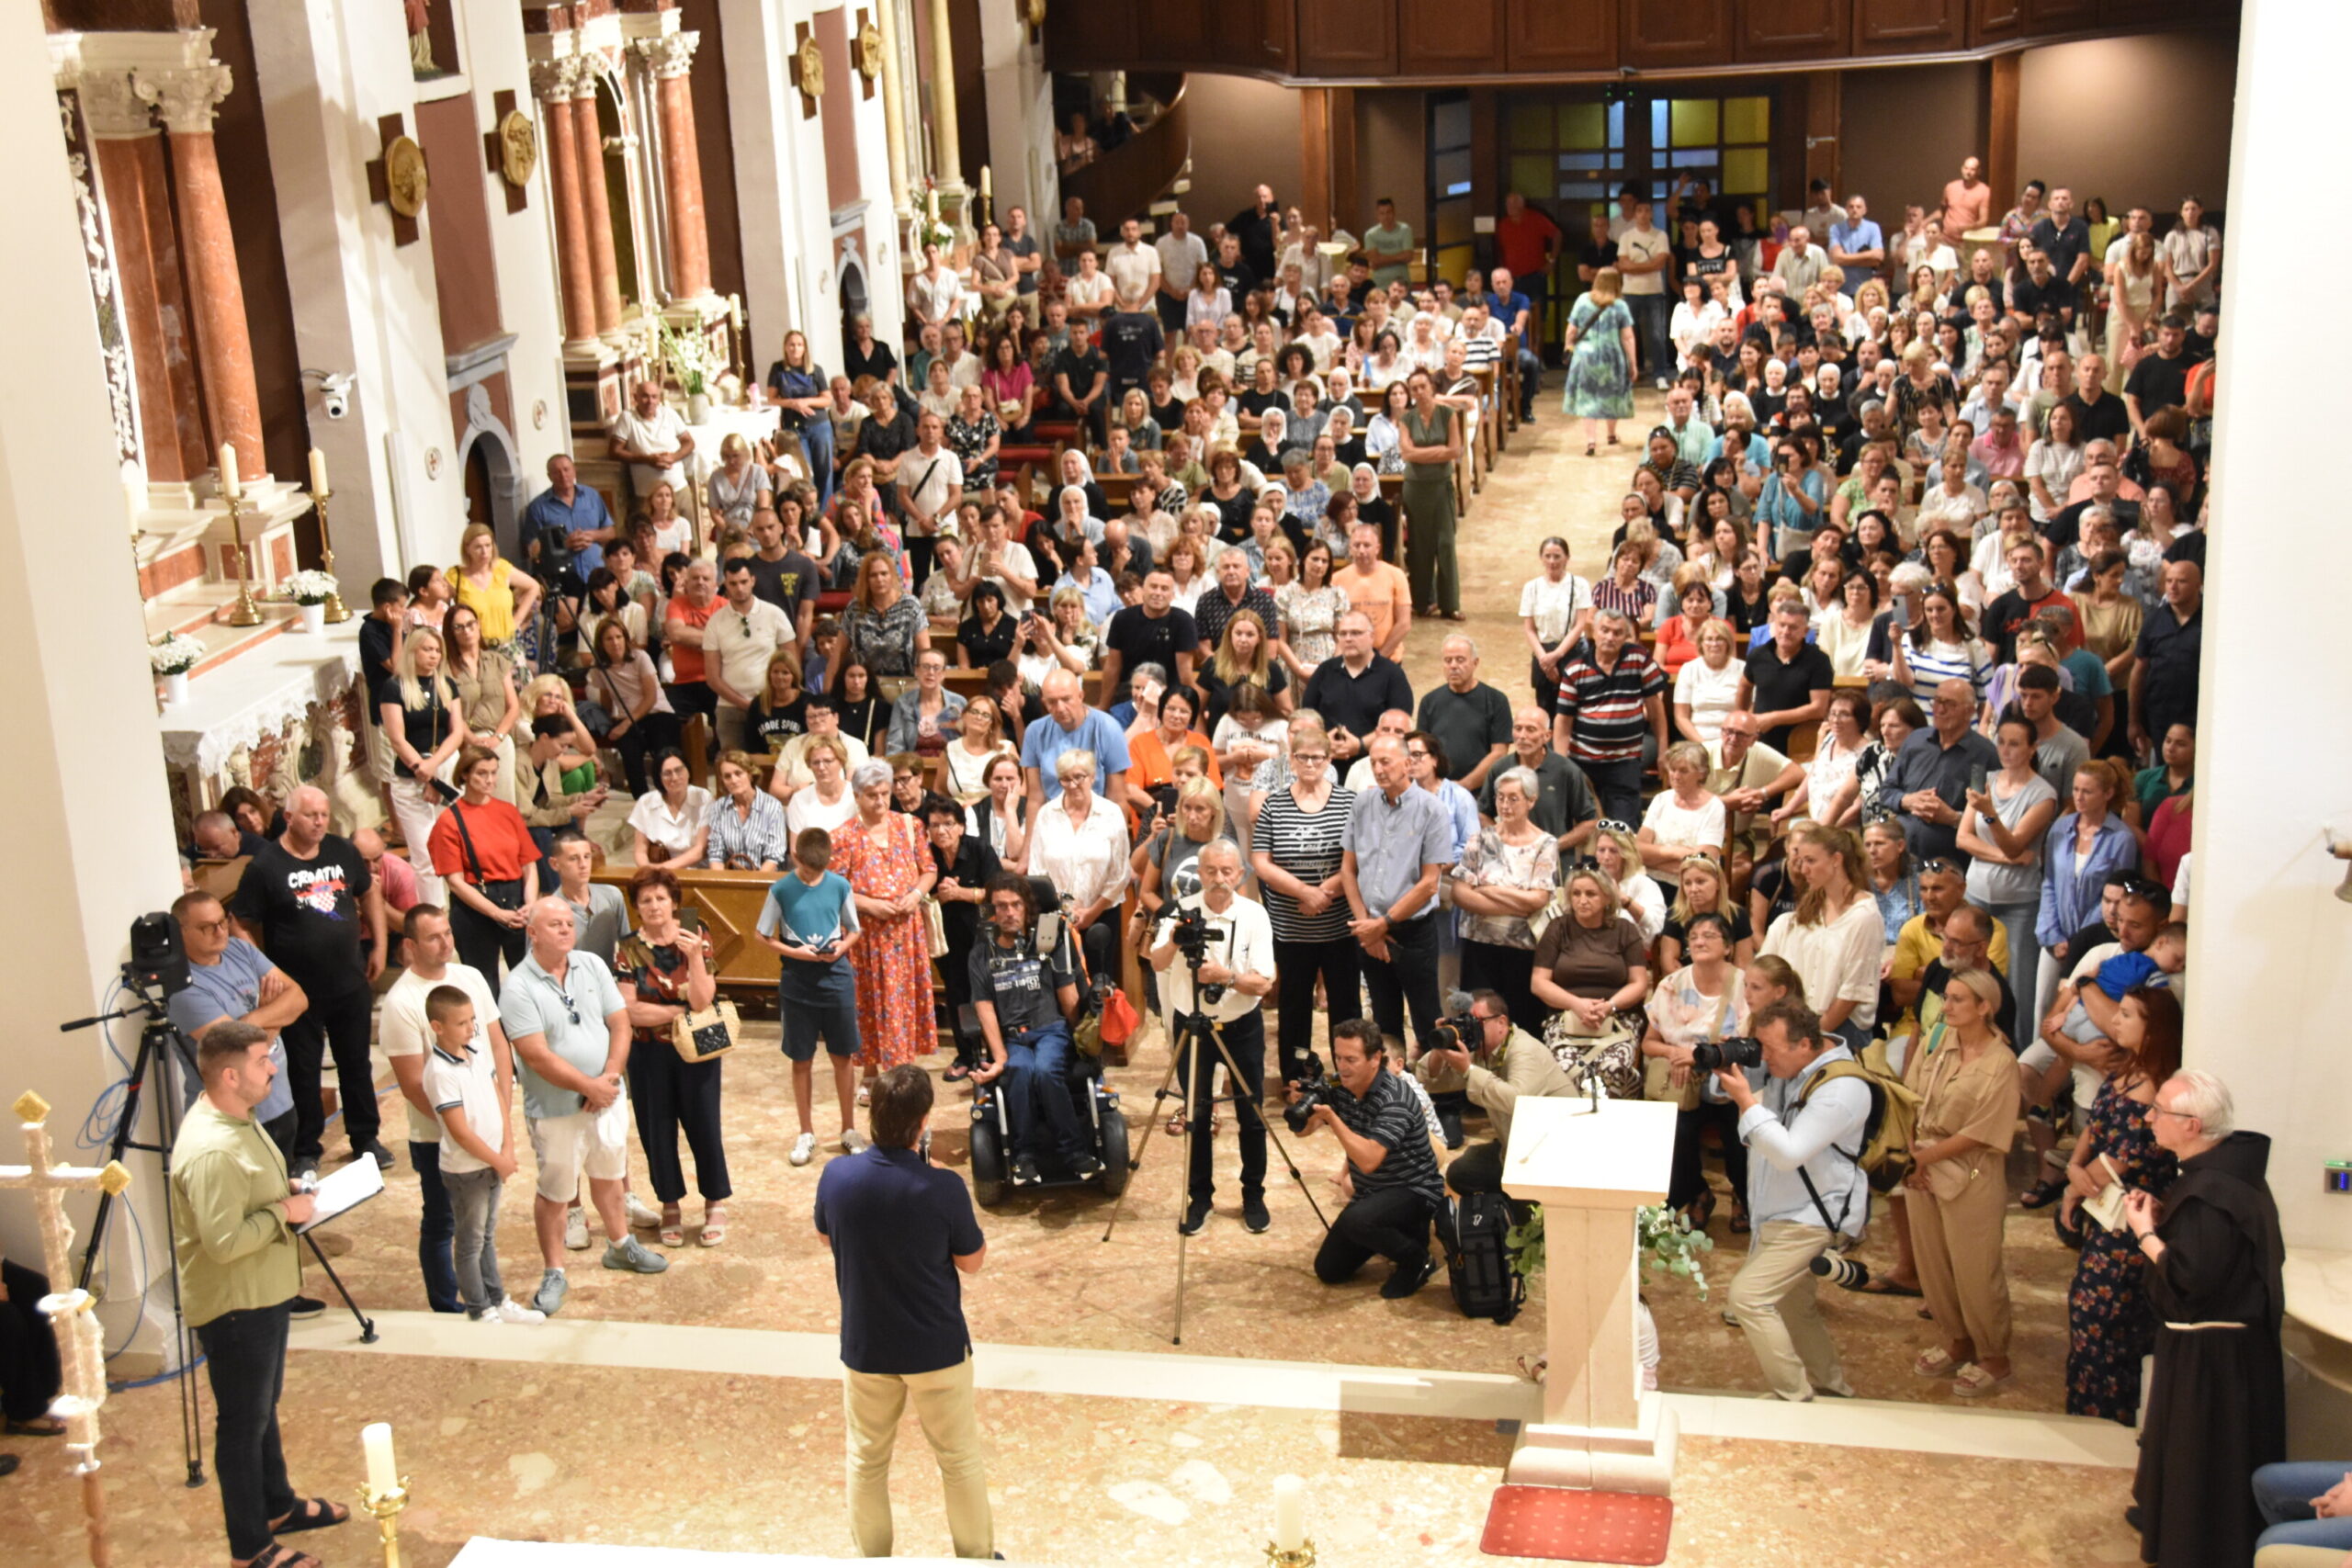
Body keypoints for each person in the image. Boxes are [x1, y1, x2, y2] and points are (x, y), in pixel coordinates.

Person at [171, 1022, 355, 1568]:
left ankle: (277, 1505)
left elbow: (247, 1191)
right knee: (242, 1424)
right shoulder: (214, 1149)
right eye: (261, 1060)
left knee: (261, 1409)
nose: (273, 1068)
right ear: (230, 1076)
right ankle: (250, 1547)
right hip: (236, 1305)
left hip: (262, 1293)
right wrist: (283, 1211)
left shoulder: (237, 1117)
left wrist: (286, 1190)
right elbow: (224, 1242)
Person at [816, 1063, 992, 1560]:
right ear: (924, 1121)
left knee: (866, 1459)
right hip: (936, 1346)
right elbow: (972, 1262)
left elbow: (827, 1236)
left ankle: (872, 1559)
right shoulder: (943, 1187)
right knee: (958, 1460)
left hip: (866, 1344)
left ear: (872, 1115)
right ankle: (976, 1558)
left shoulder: (837, 1176)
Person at [2129, 1069, 2287, 1568]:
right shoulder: (2220, 1177)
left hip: (2213, 1364)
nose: (2149, 1117)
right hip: (2223, 1354)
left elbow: (2189, 1280)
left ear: (2192, 1125)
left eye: (2159, 1110)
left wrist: (2145, 1233)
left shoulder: (2213, 1191)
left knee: (2203, 1467)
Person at [500, 897, 670, 1318]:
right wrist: (587, 1086)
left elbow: (620, 1023)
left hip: (606, 1097)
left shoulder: (592, 965)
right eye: (554, 924)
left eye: (568, 923)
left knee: (610, 1174)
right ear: (532, 933)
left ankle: (620, 1245)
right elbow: (535, 1054)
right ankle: (554, 1271)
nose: (565, 930)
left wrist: (609, 1077)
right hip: (556, 1108)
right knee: (556, 1191)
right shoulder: (518, 986)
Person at [230, 785, 389, 1179]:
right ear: (289, 818)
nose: (319, 822)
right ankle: (306, 1149)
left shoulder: (342, 850)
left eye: (324, 814)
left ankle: (365, 1138)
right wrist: (263, 968)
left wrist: (380, 944)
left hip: (349, 979)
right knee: (303, 1070)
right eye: (310, 815)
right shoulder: (265, 866)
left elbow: (369, 892)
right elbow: (240, 922)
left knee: (356, 1062)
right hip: (297, 992)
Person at [1715, 997, 1867, 1402]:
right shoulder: (1794, 1067)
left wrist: (1747, 1101)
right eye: (1759, 1047)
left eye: (1769, 1049)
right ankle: (1831, 1387)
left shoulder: (1842, 1089)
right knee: (1794, 1307)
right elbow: (1750, 1123)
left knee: (1748, 1297)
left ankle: (1793, 1395)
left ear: (1804, 1044)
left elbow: (1788, 1152)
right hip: (1781, 1209)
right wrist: (1731, 1067)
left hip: (1812, 1215)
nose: (1764, 1058)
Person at [379, 902, 507, 1318]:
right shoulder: (402, 1001)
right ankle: (446, 1304)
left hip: (486, 1131)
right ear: (411, 946)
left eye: (447, 933)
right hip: (438, 1137)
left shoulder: (470, 977)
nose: (445, 942)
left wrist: (501, 1113)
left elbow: (497, 1045)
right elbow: (413, 1083)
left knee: (483, 1227)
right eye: (433, 937)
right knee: (443, 1222)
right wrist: (459, 1128)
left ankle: (489, 1299)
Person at [1904, 967, 2020, 1396]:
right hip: (1922, 1167)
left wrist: (1922, 1158)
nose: (1946, 1006)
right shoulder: (1937, 1041)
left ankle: (1994, 1355)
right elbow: (1909, 1097)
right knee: (1933, 1262)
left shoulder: (2002, 1062)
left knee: (1975, 1268)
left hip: (1972, 1172)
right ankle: (1956, 1338)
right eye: (1946, 998)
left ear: (1984, 1007)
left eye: (1957, 999)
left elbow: (1981, 1132)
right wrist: (1911, 1156)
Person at [1151, 840, 1277, 1233]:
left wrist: (1226, 977)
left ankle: (1253, 1195)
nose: (1219, 879)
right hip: (1192, 1026)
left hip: (1241, 1026)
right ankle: (1199, 1198)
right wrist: (1175, 938)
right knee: (1197, 1114)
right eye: (1211, 871)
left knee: (1251, 1114)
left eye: (1227, 871)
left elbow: (1263, 984)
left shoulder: (1255, 915)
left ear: (1239, 874)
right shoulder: (1181, 911)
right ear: (1199, 873)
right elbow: (1155, 961)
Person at [611, 867, 729, 1249]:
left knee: (705, 1125)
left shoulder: (696, 929)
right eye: (645, 900)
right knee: (657, 1129)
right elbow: (631, 1011)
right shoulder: (627, 946)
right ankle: (670, 1206)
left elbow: (703, 1000)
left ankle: (715, 1203)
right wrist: (680, 1014)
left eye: (661, 898)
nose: (654, 906)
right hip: (648, 1052)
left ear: (674, 902)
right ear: (636, 907)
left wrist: (694, 957)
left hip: (699, 1048)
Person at [419, 983, 544, 1325]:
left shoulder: (476, 1052)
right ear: (437, 1027)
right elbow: (459, 1132)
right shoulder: (439, 1072)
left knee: (487, 1236)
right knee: (470, 1242)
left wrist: (508, 1145)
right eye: (461, 1023)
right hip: (466, 1171)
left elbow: (498, 1097)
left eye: (472, 1020)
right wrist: (498, 1160)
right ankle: (479, 1307)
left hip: (491, 1163)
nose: (471, 1028)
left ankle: (497, 1298)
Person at [1294, 1020, 1445, 1298]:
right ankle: (1387, 1232)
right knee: (1329, 1270)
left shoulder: (1395, 1098)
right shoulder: (1341, 1085)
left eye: (1351, 1059)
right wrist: (1303, 1108)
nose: (1342, 1067)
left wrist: (1332, 1118)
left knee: (1357, 1221)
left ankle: (1418, 1259)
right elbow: (1303, 1131)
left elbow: (1368, 1161)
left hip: (1414, 1190)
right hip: (1372, 1192)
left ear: (1375, 1059)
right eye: (1338, 1058)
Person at [1250, 716, 1362, 1083]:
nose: (1310, 764)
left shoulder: (1349, 803)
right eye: (1302, 757)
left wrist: (1323, 893)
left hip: (1338, 926)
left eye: (1317, 757)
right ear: (1291, 759)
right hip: (1291, 927)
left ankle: (1348, 1076)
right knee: (1294, 1007)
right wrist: (1304, 892)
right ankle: (1297, 1078)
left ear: (1329, 760)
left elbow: (1359, 859)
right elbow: (1260, 861)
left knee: (1345, 1008)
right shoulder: (1274, 805)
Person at [1341, 735, 1453, 1069]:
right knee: (1383, 1019)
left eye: (1386, 762)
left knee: (1426, 1017)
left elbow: (1429, 883)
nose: (1378, 769)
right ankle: (1389, 1089)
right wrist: (1367, 927)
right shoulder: (1362, 804)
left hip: (1412, 931)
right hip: (1368, 929)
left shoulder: (1432, 809)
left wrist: (1383, 924)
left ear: (1408, 763)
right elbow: (1348, 870)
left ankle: (1437, 1091)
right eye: (1373, 762)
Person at [831, 761, 937, 1099]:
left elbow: (929, 870)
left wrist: (915, 895)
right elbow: (835, 888)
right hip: (867, 936)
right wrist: (869, 905)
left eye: (884, 793)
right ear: (857, 796)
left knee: (902, 1002)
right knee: (869, 1002)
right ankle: (871, 1070)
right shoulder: (843, 836)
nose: (880, 801)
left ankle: (903, 1073)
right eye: (871, 795)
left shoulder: (910, 826)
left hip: (906, 933)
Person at [1643, 912, 1752, 1227]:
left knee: (1741, 1134)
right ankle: (1698, 1193)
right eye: (1693, 937)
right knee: (1676, 1132)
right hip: (1684, 1086)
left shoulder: (1745, 985)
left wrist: (1700, 1056)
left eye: (1709, 935)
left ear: (1728, 947)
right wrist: (1675, 1052)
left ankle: (1743, 1194)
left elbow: (1752, 1045)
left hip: (1732, 1082)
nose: (1700, 942)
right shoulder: (1671, 986)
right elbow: (1649, 1044)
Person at [1417, 987, 1572, 1198]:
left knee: (1520, 1200)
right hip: (1514, 1145)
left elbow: (1516, 1101)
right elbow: (1429, 1080)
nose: (1471, 1028)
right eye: (1465, 1021)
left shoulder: (1524, 1050)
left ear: (1501, 1022)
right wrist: (1440, 1049)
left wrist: (1468, 1070)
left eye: (1477, 1021)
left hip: (1552, 1152)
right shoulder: (1481, 1050)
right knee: (1461, 1173)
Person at [1452, 767, 1561, 1034]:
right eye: (1500, 797)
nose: (1505, 805)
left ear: (1531, 801)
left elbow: (1537, 899)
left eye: (1513, 798)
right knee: (1477, 1021)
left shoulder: (1545, 844)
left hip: (1522, 949)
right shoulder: (1480, 838)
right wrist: (1516, 900)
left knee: (1521, 1021)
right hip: (1479, 944)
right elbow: (1461, 893)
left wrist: (1487, 889)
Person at [1758, 823, 1883, 1051]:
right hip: (1798, 1024)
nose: (1803, 869)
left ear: (1836, 860)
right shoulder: (1805, 912)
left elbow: (1851, 993)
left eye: (1811, 861)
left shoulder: (1864, 916)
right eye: (1801, 860)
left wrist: (1811, 1039)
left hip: (1842, 1030)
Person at [428, 744, 541, 995]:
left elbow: (529, 864)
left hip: (516, 899)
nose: (490, 780)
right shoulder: (449, 821)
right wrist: (497, 913)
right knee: (485, 987)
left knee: (530, 982)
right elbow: (455, 882)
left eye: (493, 772)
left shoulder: (508, 812)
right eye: (482, 773)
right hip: (476, 906)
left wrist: (531, 903)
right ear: (465, 774)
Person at [1551, 609, 1666, 824]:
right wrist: (1562, 765)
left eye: (1617, 632)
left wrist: (1662, 752)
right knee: (1584, 825)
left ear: (1626, 636)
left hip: (1624, 761)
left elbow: (1656, 711)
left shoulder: (1639, 659)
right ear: (1594, 632)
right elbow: (1563, 721)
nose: (1610, 637)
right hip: (1583, 761)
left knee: (1624, 828)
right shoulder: (1575, 669)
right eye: (1605, 630)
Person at [1882, 679, 2000, 864]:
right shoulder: (1916, 741)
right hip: (1901, 858)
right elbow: (1887, 791)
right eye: (1937, 701)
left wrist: (1953, 818)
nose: (1940, 709)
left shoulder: (1984, 755)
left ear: (1970, 711)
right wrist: (1907, 801)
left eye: (1949, 704)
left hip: (1950, 864)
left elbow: (1989, 817)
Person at [1397, 369, 1463, 620]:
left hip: (1440, 486)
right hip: (1415, 488)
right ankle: (1422, 602)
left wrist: (1421, 454)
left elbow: (1454, 450)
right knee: (1419, 545)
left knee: (1445, 543)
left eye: (1423, 386)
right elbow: (1406, 453)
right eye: (1414, 389)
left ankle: (1449, 604)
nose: (1419, 392)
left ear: (1431, 387)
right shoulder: (1407, 418)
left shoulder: (1448, 414)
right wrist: (1438, 451)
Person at [1562, 266, 1636, 455]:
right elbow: (1628, 337)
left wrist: (1568, 348)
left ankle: (1591, 441)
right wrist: (1633, 363)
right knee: (1612, 394)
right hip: (1612, 357)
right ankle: (1611, 434)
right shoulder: (1620, 305)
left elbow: (1571, 330)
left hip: (1585, 357)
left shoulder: (1582, 300)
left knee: (1588, 397)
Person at [609, 377, 695, 504]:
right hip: (646, 494)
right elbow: (614, 451)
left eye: (654, 397)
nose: (650, 401)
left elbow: (689, 442)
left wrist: (673, 457)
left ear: (659, 399)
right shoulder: (627, 418)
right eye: (645, 396)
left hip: (677, 489)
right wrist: (648, 460)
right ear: (635, 397)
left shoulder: (669, 414)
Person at [629, 749, 712, 871]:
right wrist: (649, 871)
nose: (674, 777)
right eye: (667, 773)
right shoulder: (646, 802)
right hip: (657, 870)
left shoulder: (703, 797)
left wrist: (661, 869)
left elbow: (699, 850)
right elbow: (640, 851)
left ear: (688, 771)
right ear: (659, 778)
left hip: (696, 869)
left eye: (679, 770)